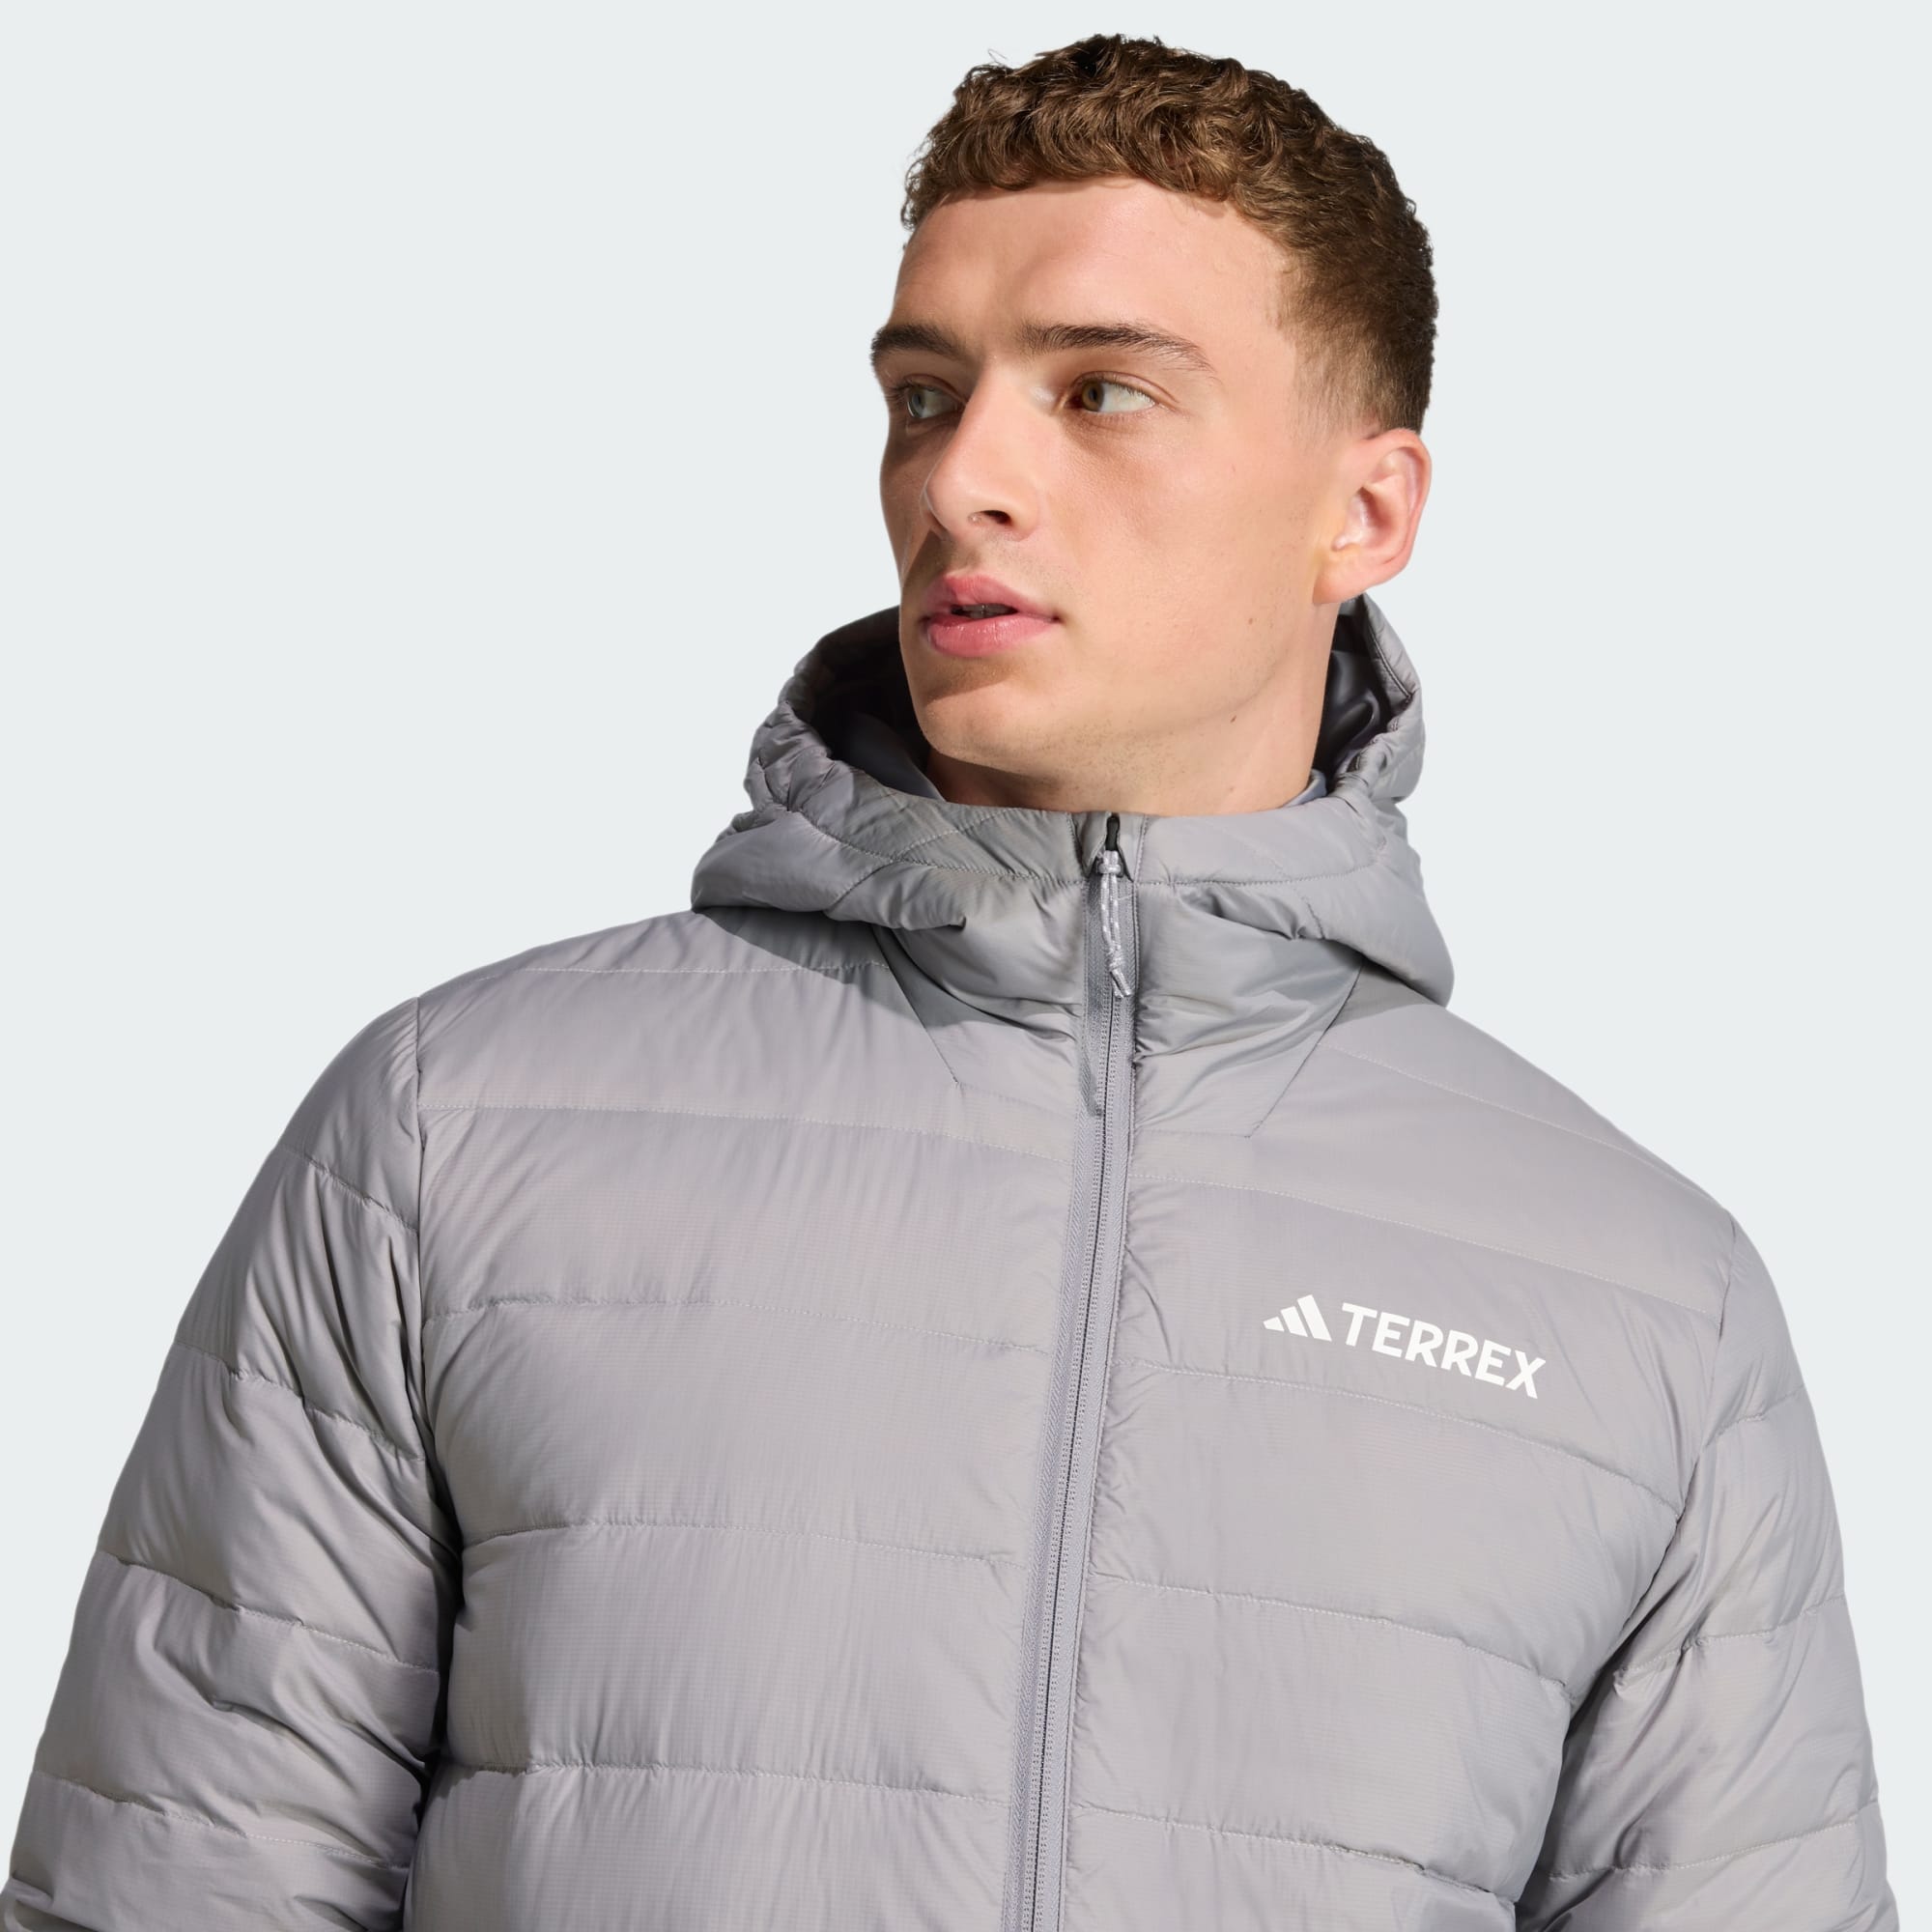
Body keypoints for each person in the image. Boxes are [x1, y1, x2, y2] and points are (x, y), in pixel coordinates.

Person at [2, 31, 1897, 1932]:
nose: (964, 476)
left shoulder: (1640, 1300)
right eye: (925, 395)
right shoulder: (453, 1134)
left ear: (1368, 510)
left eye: (1100, 391)